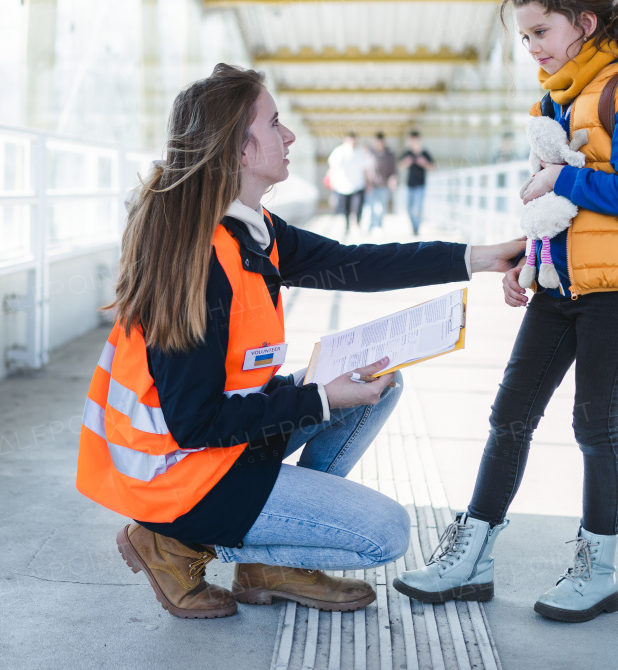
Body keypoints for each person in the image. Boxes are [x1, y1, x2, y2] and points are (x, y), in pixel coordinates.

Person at [76, 64, 525, 620]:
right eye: (275, 123)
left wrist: (477, 259)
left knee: (379, 382)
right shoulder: (196, 261)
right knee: (386, 533)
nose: (289, 136)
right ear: (240, 151)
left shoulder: (252, 227)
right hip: (181, 476)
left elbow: (353, 263)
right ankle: (177, 543)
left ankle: (269, 562)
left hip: (221, 448)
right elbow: (195, 422)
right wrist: (321, 399)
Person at [394, 0, 618, 623]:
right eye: (525, 36)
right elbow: (555, 204)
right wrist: (530, 260)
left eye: (541, 31)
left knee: (593, 421)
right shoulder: (558, 100)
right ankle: (470, 557)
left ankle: (598, 571)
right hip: (561, 284)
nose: (532, 46)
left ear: (585, 24)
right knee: (510, 413)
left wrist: (562, 178)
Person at [327, 132, 371, 235]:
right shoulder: (339, 151)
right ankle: (347, 225)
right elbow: (333, 167)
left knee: (358, 206)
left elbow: (365, 169)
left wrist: (368, 183)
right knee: (345, 208)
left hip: (358, 185)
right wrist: (332, 181)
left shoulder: (360, 152)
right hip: (343, 186)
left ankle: (357, 224)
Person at [399, 131, 435, 235]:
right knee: (408, 208)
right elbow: (400, 167)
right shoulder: (407, 153)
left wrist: (424, 163)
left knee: (418, 208)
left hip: (420, 185)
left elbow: (432, 167)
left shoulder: (425, 153)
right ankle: (414, 226)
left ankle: (416, 228)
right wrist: (407, 162)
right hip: (409, 185)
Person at [365, 133, 398, 231]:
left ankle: (378, 226)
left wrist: (393, 180)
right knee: (370, 208)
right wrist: (367, 183)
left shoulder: (390, 155)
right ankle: (371, 227)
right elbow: (366, 169)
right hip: (372, 185)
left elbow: (394, 170)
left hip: (384, 185)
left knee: (381, 208)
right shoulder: (369, 154)